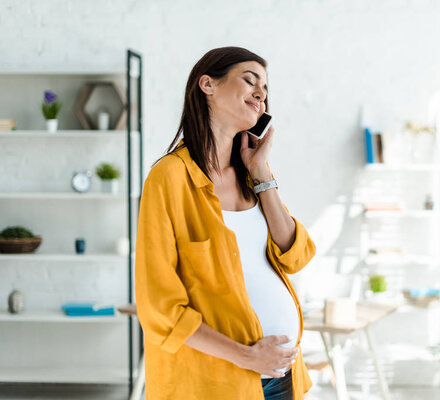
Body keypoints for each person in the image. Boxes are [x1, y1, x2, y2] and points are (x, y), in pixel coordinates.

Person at [134, 46, 316, 400]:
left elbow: (297, 256)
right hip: (214, 384)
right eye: (250, 81)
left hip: (283, 377)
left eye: (265, 88)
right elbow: (160, 308)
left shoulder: (252, 176)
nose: (260, 93)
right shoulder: (169, 178)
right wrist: (249, 357)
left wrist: (261, 172)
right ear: (208, 84)